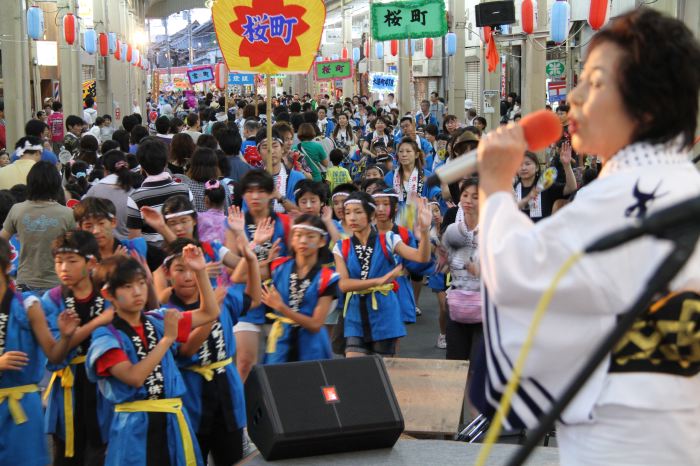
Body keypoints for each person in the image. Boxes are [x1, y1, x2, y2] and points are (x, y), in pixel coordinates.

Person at [474, 9, 700, 465]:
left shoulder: (622, 197)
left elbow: (519, 274)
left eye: (594, 83)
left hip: (618, 441)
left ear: (649, 105)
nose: (572, 98)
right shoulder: (684, 186)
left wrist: (495, 190)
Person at [86, 246, 220, 466]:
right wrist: (167, 339)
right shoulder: (106, 337)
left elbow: (209, 313)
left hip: (172, 421)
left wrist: (200, 271)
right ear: (108, 293)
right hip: (134, 427)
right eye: (128, 287)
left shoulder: (156, 319)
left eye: (141, 284)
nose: (138, 292)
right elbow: (134, 377)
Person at [164, 235, 259, 465]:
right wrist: (211, 311)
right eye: (179, 269)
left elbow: (253, 300)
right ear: (167, 273)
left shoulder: (219, 294)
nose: (188, 277)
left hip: (227, 389)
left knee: (232, 456)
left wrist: (252, 260)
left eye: (192, 269)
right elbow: (186, 350)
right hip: (191, 393)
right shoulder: (167, 311)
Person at [0, 237, 80, 466]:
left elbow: (54, 356)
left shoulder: (28, 305)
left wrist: (65, 337)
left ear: (7, 267)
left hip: (23, 404)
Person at [42, 230, 114, 465]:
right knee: (66, 452)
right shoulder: (52, 299)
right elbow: (54, 354)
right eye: (58, 262)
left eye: (72, 261)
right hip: (68, 384)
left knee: (100, 450)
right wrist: (94, 324)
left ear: (91, 262)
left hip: (103, 384)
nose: (64, 268)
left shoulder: (107, 296)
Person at [333, 192, 432, 357]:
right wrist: (378, 281)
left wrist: (425, 231)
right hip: (355, 312)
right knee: (353, 365)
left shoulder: (389, 239)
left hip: (384, 310)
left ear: (371, 215)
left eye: (358, 212)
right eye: (348, 212)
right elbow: (343, 285)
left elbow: (421, 257)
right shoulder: (341, 246)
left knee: (383, 370)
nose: (352, 217)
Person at [261, 215, 339, 363]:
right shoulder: (279, 266)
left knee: (311, 384)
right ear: (292, 239)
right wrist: (255, 243)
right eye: (298, 235)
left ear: (322, 241)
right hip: (281, 341)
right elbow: (240, 275)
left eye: (310, 236)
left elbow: (316, 324)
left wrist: (282, 308)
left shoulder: (328, 278)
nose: (303, 241)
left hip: (312, 346)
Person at [1, 161, 75, 294]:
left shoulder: (17, 210)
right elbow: (79, 247)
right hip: (58, 284)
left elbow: (2, 240)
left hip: (24, 284)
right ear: (56, 184)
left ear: (30, 182)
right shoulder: (68, 214)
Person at [126, 137, 192, 246]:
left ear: (141, 166)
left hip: (152, 258)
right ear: (166, 162)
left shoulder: (135, 198)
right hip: (183, 253)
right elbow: (192, 228)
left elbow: (135, 241)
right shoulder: (185, 190)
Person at [83, 150, 135, 240]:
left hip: (100, 243)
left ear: (105, 169)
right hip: (128, 247)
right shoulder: (133, 191)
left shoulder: (94, 190)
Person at [514, 148, 577, 222]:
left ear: (537, 167)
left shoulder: (545, 185)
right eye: (519, 164)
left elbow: (571, 188)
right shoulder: (512, 189)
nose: (523, 168)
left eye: (527, 164)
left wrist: (567, 165)